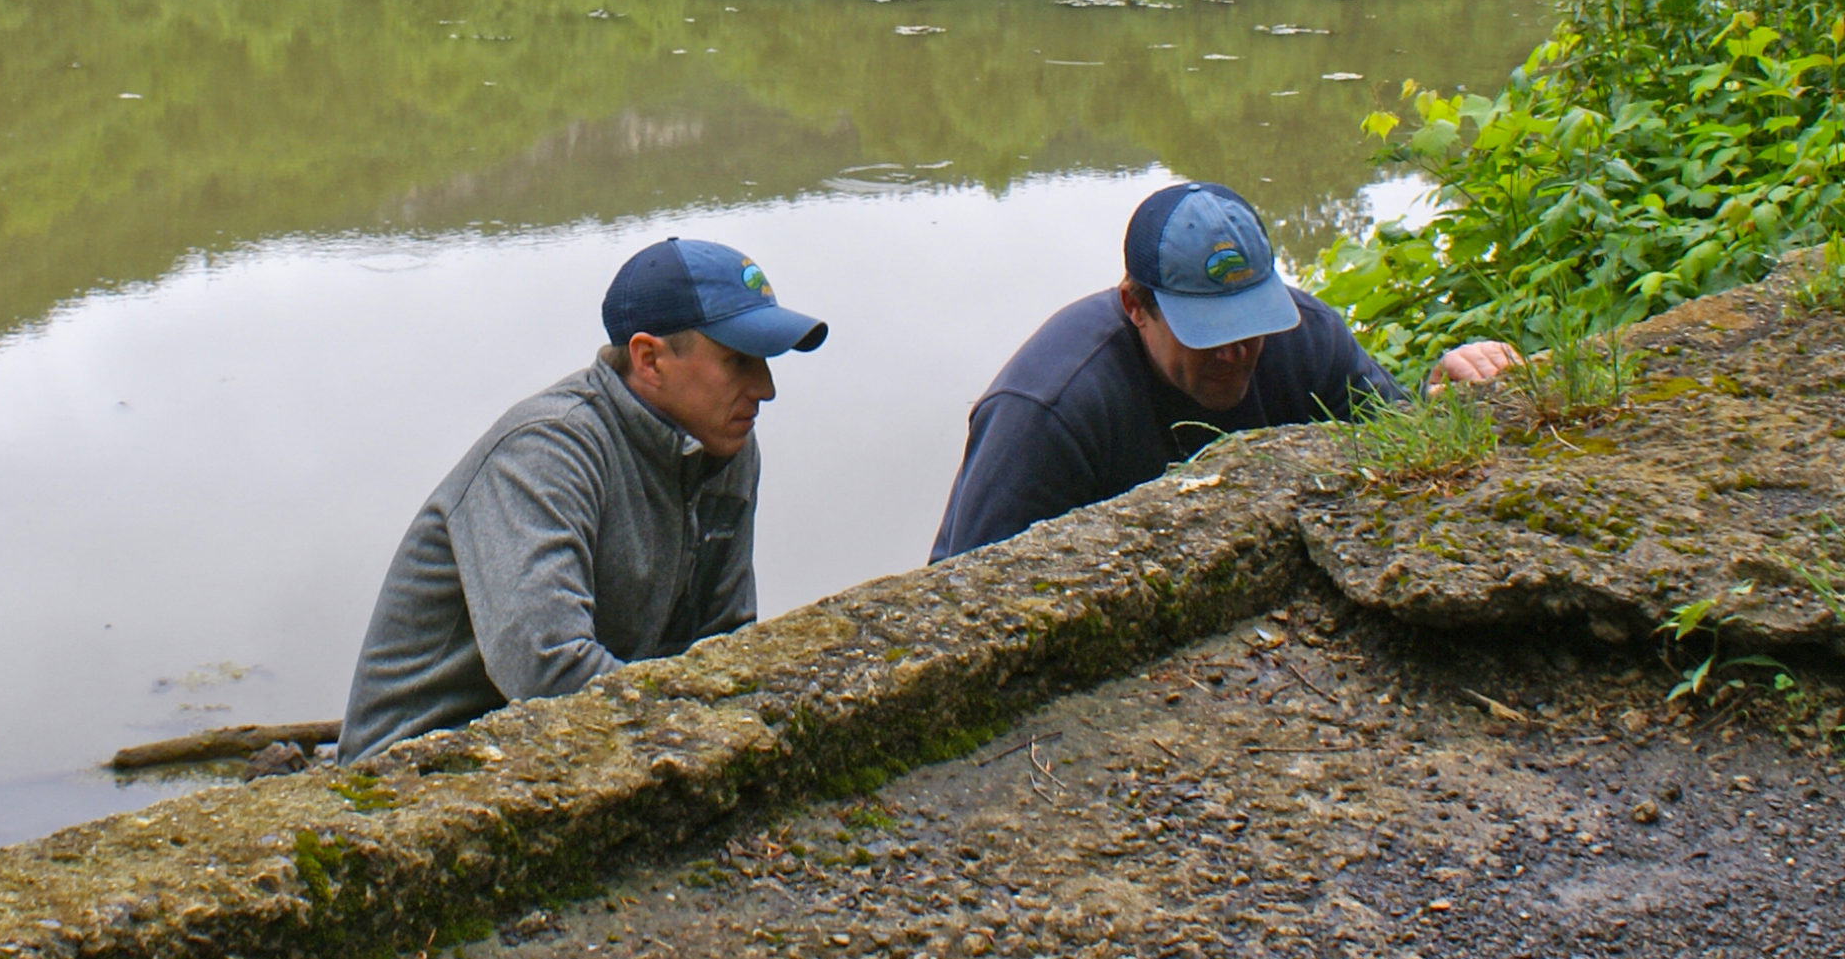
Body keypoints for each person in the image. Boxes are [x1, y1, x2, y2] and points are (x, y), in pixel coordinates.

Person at [338, 237, 829, 760]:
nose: (765, 387)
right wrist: (707, 727)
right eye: (739, 361)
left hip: (581, 745)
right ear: (649, 359)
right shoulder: (544, 453)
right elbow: (547, 668)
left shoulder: (725, 442)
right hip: (418, 775)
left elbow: (726, 638)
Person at [931, 180, 1517, 559]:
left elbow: (1404, 452)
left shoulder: (1305, 338)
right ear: (1136, 307)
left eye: (1250, 321)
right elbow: (963, 593)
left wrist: (1443, 393)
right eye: (1208, 333)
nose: (1236, 352)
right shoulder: (1049, 410)